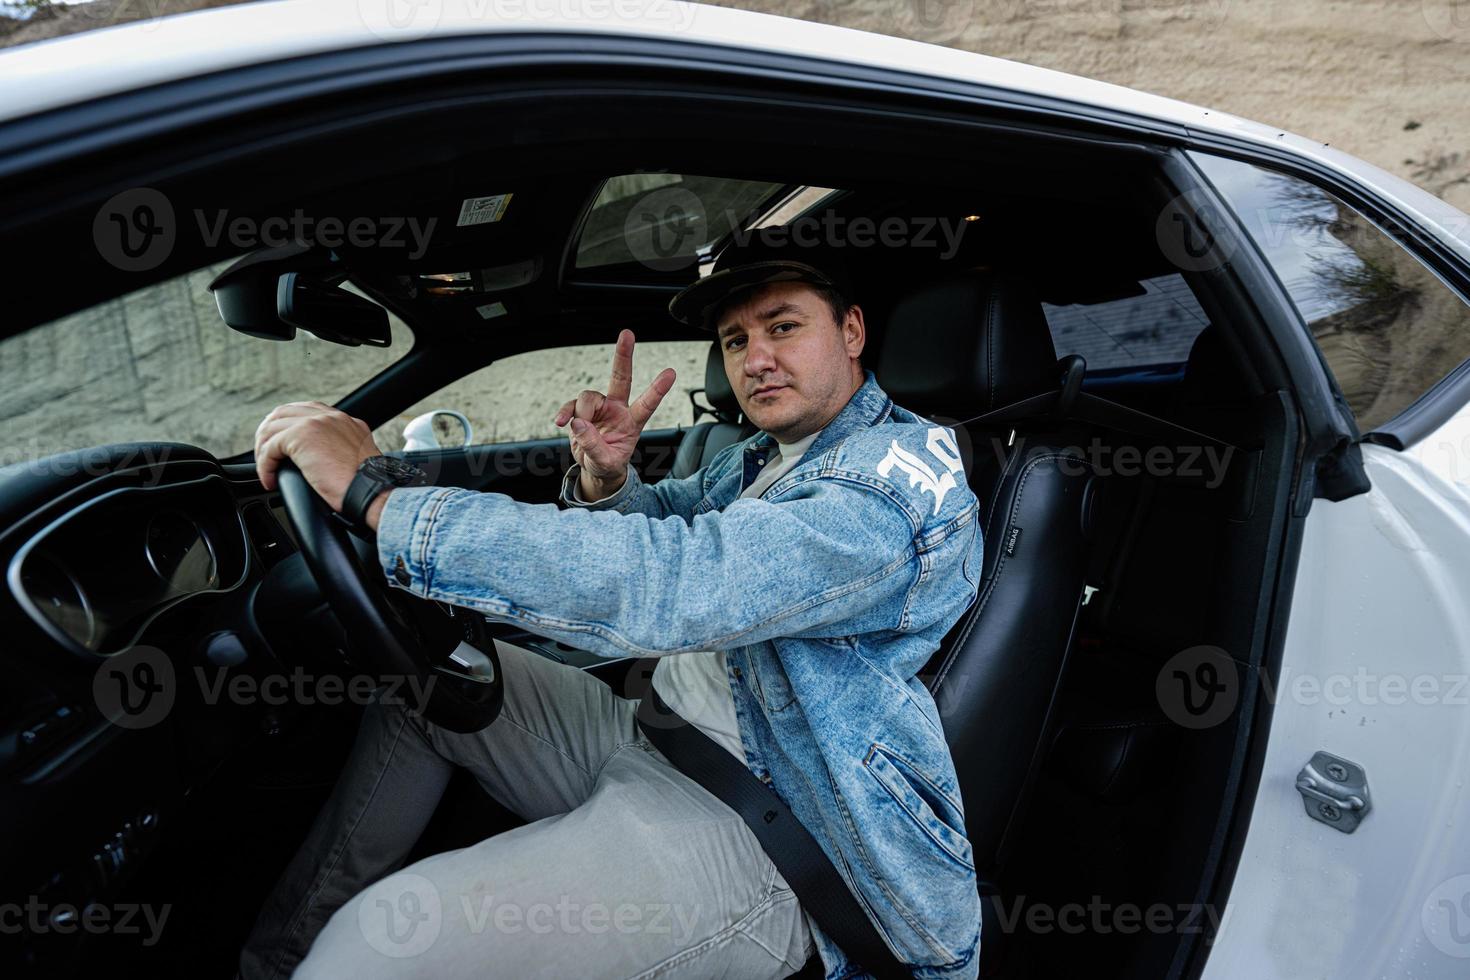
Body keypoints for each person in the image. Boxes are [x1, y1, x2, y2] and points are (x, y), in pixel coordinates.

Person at [240, 228, 983, 980]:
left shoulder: (894, 481)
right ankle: (274, 965)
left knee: (376, 948)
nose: (754, 359)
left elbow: (683, 582)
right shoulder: (764, 455)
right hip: (655, 734)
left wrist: (385, 502)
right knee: (429, 681)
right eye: (733, 340)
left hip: (773, 825)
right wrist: (606, 480)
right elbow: (664, 525)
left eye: (783, 326)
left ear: (851, 330)